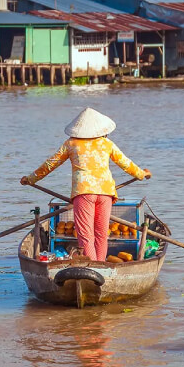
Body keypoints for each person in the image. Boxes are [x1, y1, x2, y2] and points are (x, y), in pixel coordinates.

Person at [20, 108, 151, 262]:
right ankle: (100, 266)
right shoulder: (106, 143)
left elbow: (50, 164)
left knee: (86, 234)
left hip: (84, 193)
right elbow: (126, 163)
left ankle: (93, 266)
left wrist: (30, 179)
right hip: (105, 192)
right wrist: (142, 174)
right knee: (102, 234)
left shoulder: (71, 144)